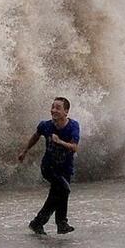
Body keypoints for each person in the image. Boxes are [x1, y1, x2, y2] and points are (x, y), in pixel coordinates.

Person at [17, 97, 80, 235]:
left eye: (58, 108)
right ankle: (61, 223)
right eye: (53, 107)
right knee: (64, 190)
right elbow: (36, 136)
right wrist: (25, 151)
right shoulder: (45, 126)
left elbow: (74, 148)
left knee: (57, 195)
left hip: (65, 168)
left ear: (66, 112)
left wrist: (60, 142)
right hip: (48, 168)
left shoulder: (73, 126)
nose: (53, 110)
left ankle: (38, 223)